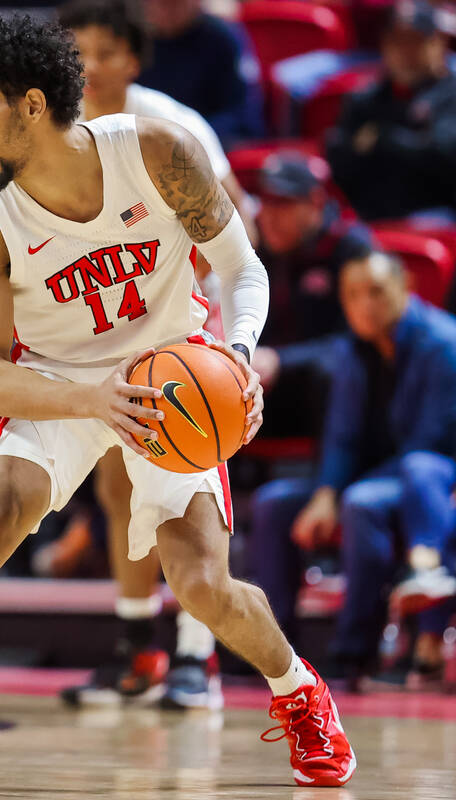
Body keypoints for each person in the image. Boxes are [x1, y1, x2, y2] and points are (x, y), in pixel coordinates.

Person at [0, 15, 355, 793]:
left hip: (174, 374)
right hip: (60, 380)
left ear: (32, 105)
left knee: (202, 582)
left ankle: (300, 694)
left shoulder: (156, 151)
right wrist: (93, 399)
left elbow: (242, 269)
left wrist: (236, 355)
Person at [59, 0, 256, 710]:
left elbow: (237, 225)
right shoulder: (53, 132)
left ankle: (197, 658)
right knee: (117, 489)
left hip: (186, 327)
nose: (89, 66)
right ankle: (137, 648)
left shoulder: (174, 126)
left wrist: (230, 343)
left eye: (103, 50)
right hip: (105, 330)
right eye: (75, 51)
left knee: (191, 492)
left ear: (133, 59)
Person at [248, 252, 456, 679]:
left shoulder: (444, 344)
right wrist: (325, 496)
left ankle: (351, 655)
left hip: (430, 477)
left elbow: (429, 442)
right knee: (273, 504)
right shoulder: (351, 350)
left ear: (406, 287)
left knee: (362, 503)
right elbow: (341, 438)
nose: (364, 304)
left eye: (376, 292)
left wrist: (340, 496)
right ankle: (272, 657)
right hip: (369, 479)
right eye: (352, 295)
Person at [248, 152, 374, 438]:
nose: (269, 215)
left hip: (331, 386)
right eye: (264, 202)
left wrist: (282, 360)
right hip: (269, 382)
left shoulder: (350, 248)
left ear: (315, 202)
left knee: (332, 370)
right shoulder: (259, 246)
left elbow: (360, 339)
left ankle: (329, 480)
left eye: (283, 204)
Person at [326, 0, 456, 222]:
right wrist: (412, 141)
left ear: (438, 43)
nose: (405, 52)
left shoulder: (450, 94)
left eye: (414, 41)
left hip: (436, 216)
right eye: (397, 41)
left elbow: (443, 156)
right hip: (371, 217)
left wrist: (382, 139)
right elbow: (340, 156)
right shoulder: (366, 98)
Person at [136, 0, 263, 146]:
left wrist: (190, 135)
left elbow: (243, 114)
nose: (165, 10)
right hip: (147, 145)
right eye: (158, 4)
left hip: (213, 144)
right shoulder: (134, 44)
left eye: (174, 3)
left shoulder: (223, 38)